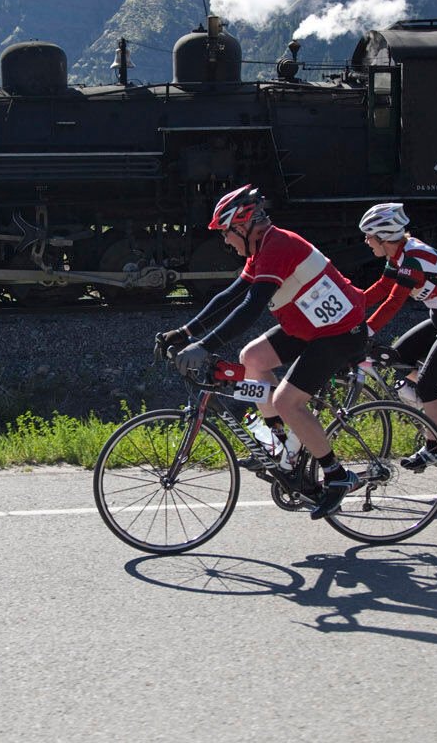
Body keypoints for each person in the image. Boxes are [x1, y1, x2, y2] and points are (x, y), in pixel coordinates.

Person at [154, 184, 368, 519]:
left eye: (226, 234)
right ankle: (283, 447)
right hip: (309, 326)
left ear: (242, 226)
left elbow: (251, 308)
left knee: (286, 401)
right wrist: (184, 332)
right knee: (251, 358)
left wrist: (205, 345)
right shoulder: (263, 248)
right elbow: (230, 296)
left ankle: (338, 476)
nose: (225, 241)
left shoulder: (279, 246)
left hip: (339, 333)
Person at [357, 202, 437, 472]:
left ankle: (434, 448)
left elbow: (393, 302)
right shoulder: (400, 253)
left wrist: (366, 330)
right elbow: (382, 288)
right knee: (396, 358)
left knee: (427, 386)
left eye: (369, 236)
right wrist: (350, 308)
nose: (366, 241)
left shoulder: (412, 259)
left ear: (383, 236)